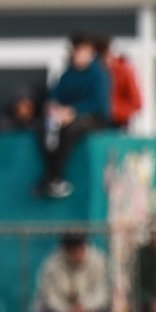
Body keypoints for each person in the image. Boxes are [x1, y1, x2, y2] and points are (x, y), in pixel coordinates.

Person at [38, 32, 111, 199]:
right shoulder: (68, 74)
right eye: (75, 50)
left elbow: (97, 103)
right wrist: (54, 107)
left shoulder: (99, 74)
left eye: (81, 50)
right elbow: (55, 94)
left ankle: (55, 176)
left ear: (90, 52)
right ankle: (52, 176)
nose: (76, 54)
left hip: (93, 119)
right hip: (64, 118)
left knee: (71, 129)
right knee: (44, 128)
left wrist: (73, 112)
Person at [33, 232, 110, 312]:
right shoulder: (52, 264)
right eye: (73, 250)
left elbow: (102, 292)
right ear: (65, 250)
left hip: (90, 311)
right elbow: (49, 296)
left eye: (80, 248)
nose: (77, 253)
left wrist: (85, 308)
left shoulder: (98, 260)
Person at [95, 35, 143, 130]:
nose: (104, 58)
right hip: (98, 120)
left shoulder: (123, 70)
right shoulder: (96, 72)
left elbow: (136, 101)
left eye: (106, 54)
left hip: (118, 122)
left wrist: (117, 112)